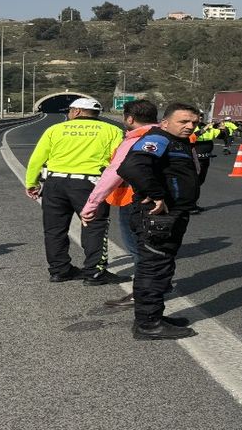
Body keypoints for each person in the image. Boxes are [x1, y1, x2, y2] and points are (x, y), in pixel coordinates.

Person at [116, 102, 203, 340]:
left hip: (172, 214)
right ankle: (147, 324)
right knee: (153, 268)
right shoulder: (159, 138)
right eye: (183, 121)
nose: (190, 126)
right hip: (158, 215)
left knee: (162, 266)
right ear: (165, 122)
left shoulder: (178, 142)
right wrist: (155, 194)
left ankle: (154, 315)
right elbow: (132, 166)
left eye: (194, 122)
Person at [24, 97, 126, 285]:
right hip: (90, 185)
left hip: (55, 184)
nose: (68, 113)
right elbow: (117, 161)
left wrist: (32, 183)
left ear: (77, 111)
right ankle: (94, 272)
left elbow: (37, 158)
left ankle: (59, 270)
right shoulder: (112, 130)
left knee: (54, 229)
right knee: (94, 226)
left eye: (69, 110)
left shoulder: (55, 129)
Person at [79, 99, 158, 307]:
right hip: (165, 201)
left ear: (129, 118)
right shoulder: (169, 137)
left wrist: (92, 204)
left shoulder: (133, 141)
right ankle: (156, 286)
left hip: (134, 200)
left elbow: (114, 173)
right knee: (157, 248)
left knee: (138, 249)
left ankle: (143, 293)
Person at [188, 111, 232, 214]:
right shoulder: (190, 127)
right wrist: (203, 130)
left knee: (200, 182)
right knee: (193, 182)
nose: (200, 118)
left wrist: (223, 128)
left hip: (206, 158)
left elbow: (223, 136)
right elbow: (190, 138)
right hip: (194, 158)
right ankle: (189, 206)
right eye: (198, 116)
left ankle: (193, 203)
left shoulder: (208, 127)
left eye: (202, 116)